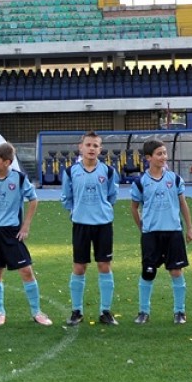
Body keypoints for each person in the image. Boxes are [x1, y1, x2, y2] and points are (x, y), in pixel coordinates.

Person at [0, 142, 52, 327]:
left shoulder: (19, 178)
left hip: (11, 232)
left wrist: (25, 226)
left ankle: (36, 312)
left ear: (7, 162)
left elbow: (33, 200)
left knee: (26, 271)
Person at [129, 138, 192, 326]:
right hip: (151, 234)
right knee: (148, 272)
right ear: (149, 157)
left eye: (165, 153)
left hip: (173, 232)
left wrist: (189, 228)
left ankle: (180, 311)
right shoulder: (141, 182)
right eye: (159, 154)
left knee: (176, 271)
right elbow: (134, 207)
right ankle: (143, 311)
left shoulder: (174, 179)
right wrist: (142, 227)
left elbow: (183, 204)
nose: (163, 157)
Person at [61, 130, 119, 327]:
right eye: (88, 145)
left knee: (104, 265)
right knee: (79, 266)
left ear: (100, 149)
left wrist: (101, 210)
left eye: (95, 145)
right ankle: (77, 311)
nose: (92, 148)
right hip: (81, 225)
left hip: (103, 224)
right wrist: (76, 212)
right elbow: (66, 198)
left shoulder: (109, 171)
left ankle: (106, 311)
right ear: (81, 147)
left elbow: (112, 196)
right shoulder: (70, 172)